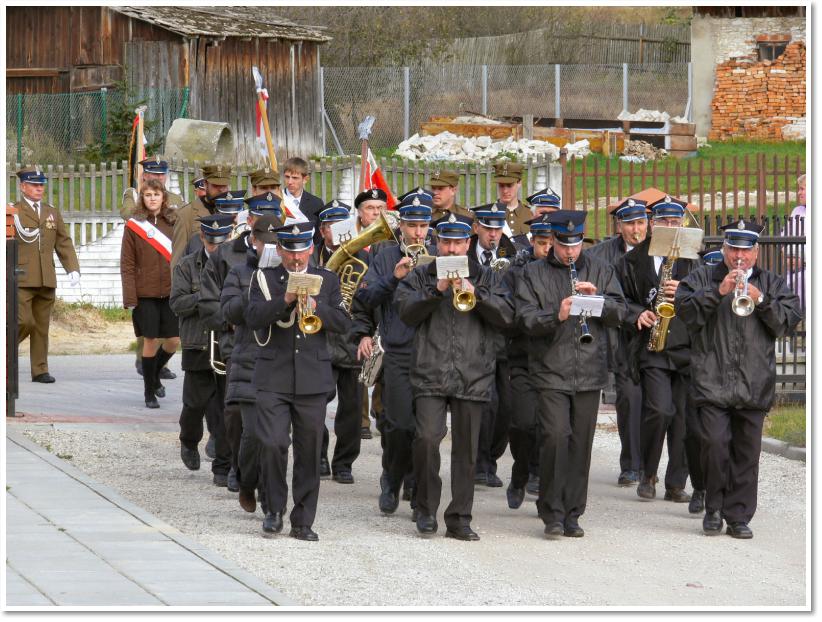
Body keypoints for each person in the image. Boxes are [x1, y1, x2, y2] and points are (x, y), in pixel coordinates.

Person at [676, 220, 802, 538]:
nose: (739, 257)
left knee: (747, 454)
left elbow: (788, 322)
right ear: (724, 250)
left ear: (756, 253)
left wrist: (761, 300)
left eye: (746, 251)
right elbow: (686, 315)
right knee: (715, 446)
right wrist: (718, 292)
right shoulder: (702, 277)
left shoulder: (772, 283)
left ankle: (738, 516)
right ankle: (713, 508)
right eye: (733, 250)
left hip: (754, 381)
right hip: (712, 379)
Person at [395, 213, 514, 541]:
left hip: (472, 371)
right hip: (430, 368)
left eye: (457, 243)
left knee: (467, 449)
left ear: (467, 243)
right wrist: (437, 290)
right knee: (427, 439)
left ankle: (460, 517)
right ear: (437, 242)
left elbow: (506, 316)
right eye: (445, 242)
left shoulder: (488, 277)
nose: (451, 248)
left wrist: (477, 294)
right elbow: (405, 314)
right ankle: (425, 509)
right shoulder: (420, 276)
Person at [516, 210, 626, 538]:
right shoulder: (533, 274)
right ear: (553, 242)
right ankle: (551, 510)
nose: (570, 252)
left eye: (575, 245)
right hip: (550, 370)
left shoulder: (600, 269)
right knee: (553, 438)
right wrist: (557, 313)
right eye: (564, 245)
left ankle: (573, 512)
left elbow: (620, 311)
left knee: (580, 445)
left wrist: (599, 302)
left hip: (590, 371)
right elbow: (525, 319)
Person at [246, 221, 351, 541]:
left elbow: (345, 323)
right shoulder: (264, 278)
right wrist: (286, 299)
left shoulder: (328, 280)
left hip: (312, 379)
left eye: (301, 250)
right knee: (273, 443)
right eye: (289, 251)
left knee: (308, 451)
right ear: (279, 250)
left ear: (310, 249)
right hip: (273, 375)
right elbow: (251, 317)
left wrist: (317, 307)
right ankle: (273, 510)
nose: (295, 258)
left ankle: (303, 520)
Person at [615, 196, 702, 505]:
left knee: (683, 420)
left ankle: (677, 483)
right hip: (652, 348)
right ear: (653, 224)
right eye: (663, 221)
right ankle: (648, 474)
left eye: (675, 222)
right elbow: (619, 300)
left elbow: (706, 300)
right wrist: (637, 313)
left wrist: (687, 292)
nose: (670, 227)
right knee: (660, 410)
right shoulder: (631, 261)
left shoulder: (694, 260)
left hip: (686, 347)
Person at [354, 193, 436, 517]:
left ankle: (417, 487)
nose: (418, 233)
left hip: (431, 352)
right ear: (400, 225)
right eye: (412, 225)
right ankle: (392, 475)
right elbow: (367, 296)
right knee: (398, 425)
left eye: (423, 225)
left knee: (424, 428)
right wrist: (394, 278)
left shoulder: (438, 254)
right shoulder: (385, 255)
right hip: (398, 352)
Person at [221, 214, 283, 513]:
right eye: (266, 243)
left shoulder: (290, 272)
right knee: (251, 434)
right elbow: (229, 312)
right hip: (249, 358)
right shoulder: (239, 272)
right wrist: (255, 288)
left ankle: (272, 501)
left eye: (277, 243)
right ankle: (247, 480)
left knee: (275, 438)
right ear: (254, 242)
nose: (271, 249)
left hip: (281, 361)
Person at [169, 213, 235, 485]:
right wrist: (205, 297)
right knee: (194, 404)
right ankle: (189, 440)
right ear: (203, 239)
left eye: (220, 242)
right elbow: (177, 303)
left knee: (223, 406)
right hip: (198, 342)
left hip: (224, 343)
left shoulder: (236, 265)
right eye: (210, 242)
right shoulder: (187, 266)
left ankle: (222, 464)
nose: (215, 248)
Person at [586, 197, 648, 487]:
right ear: (619, 226)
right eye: (630, 224)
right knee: (629, 399)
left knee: (660, 406)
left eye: (641, 223)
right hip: (620, 336)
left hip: (653, 337)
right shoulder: (600, 254)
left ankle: (656, 467)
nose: (636, 229)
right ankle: (631, 465)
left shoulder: (659, 251)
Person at [311, 201, 365, 483]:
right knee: (316, 402)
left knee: (352, 408)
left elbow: (369, 302)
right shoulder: (312, 259)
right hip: (321, 340)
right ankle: (318, 454)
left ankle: (344, 462)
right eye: (332, 226)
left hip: (352, 341)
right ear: (323, 230)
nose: (339, 231)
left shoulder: (363, 259)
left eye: (344, 225)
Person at [502, 213, 552, 508]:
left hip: (554, 359)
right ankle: (520, 472)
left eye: (551, 243)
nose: (547, 249)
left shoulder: (564, 271)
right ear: (532, 242)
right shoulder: (514, 272)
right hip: (522, 356)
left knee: (550, 427)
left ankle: (540, 479)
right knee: (522, 423)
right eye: (541, 243)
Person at [13, 166, 80, 383]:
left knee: (41, 326)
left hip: (46, 277)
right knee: (25, 322)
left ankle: (40, 369)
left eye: (41, 184)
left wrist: (72, 268)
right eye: (34, 184)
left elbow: (63, 242)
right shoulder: (13, 212)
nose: (39, 188)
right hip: (21, 277)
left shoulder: (52, 212)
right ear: (23, 186)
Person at [121, 157, 184, 381]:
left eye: (161, 174)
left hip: (167, 281)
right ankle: (147, 368)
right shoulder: (135, 197)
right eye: (153, 174)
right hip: (146, 280)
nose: (158, 178)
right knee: (149, 335)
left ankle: (157, 368)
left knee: (172, 336)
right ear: (144, 175)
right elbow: (129, 218)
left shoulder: (176, 199)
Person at [468, 203, 516, 488]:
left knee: (505, 407)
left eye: (497, 228)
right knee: (483, 404)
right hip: (474, 338)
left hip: (503, 340)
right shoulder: (464, 253)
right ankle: (479, 463)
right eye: (488, 228)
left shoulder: (511, 254)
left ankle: (492, 457)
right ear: (477, 228)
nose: (493, 234)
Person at [172, 164, 231, 266]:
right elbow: (178, 261)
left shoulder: (234, 213)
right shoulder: (186, 214)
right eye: (216, 185)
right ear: (205, 184)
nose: (221, 190)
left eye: (224, 186)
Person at [120, 156, 185, 220]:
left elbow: (185, 218)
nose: (160, 177)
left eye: (163, 174)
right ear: (145, 176)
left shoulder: (176, 198)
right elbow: (126, 213)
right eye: (155, 174)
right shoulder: (134, 194)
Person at [280, 157, 325, 235]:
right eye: (287, 177)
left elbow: (318, 236)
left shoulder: (316, 203)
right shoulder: (278, 199)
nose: (290, 182)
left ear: (305, 179)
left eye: (295, 178)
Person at [493, 162, 532, 241]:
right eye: (501, 185)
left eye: (509, 185)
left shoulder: (531, 214)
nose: (505, 191)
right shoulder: (488, 214)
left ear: (519, 183)